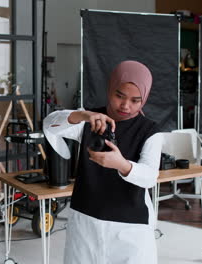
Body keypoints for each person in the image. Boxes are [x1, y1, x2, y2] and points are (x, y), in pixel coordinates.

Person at [43, 60, 162, 264]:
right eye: (119, 96)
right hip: (86, 218)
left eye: (136, 100)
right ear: (110, 88)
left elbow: (150, 176)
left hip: (130, 225)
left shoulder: (150, 131)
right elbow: (50, 123)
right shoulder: (90, 120)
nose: (125, 105)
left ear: (145, 98)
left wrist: (122, 165)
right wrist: (84, 114)